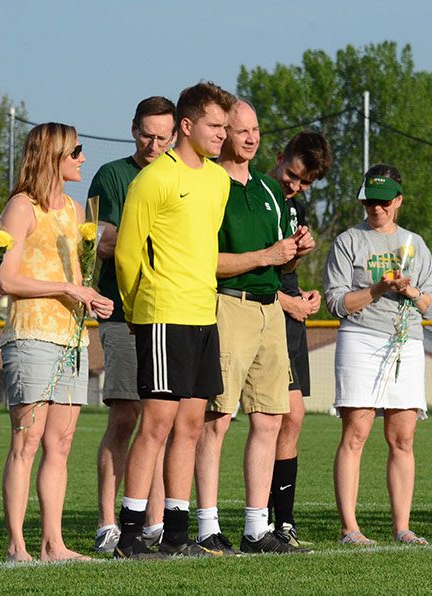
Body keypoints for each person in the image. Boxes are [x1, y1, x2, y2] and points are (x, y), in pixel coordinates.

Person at [113, 82, 233, 559]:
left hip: (205, 315)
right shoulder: (154, 180)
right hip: (163, 314)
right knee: (156, 425)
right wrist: (137, 310)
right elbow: (126, 253)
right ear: (187, 125)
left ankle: (178, 535)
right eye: (215, 125)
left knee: (191, 425)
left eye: (227, 126)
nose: (223, 134)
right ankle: (130, 535)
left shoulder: (219, 180)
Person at [194, 100, 313, 555]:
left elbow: (277, 253)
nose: (250, 138)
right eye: (240, 130)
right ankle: (207, 525)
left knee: (270, 418)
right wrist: (268, 256)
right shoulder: (208, 183)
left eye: (255, 130)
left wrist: (295, 249)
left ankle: (255, 528)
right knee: (218, 417)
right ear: (223, 133)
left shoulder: (267, 188)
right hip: (229, 306)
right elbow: (205, 260)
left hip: (270, 312)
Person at [0, 123, 113, 562]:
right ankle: (17, 545)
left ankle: (53, 544)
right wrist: (68, 290)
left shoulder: (76, 209)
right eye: (76, 151)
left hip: (71, 339)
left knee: (60, 444)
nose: (83, 158)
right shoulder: (21, 207)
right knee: (26, 440)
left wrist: (89, 297)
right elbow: (5, 279)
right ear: (54, 155)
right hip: (31, 336)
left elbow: (75, 279)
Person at [324, 165, 432, 546]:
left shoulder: (415, 244)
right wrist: (377, 288)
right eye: (370, 202)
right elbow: (336, 302)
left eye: (383, 202)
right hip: (360, 338)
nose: (376, 209)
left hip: (406, 342)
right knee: (356, 433)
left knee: (403, 438)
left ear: (398, 202)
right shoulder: (348, 241)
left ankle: (402, 527)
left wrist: (411, 294)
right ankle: (350, 528)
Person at [92, 96, 175, 553]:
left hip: (171, 313)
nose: (154, 144)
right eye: (147, 134)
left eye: (163, 137)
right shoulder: (113, 175)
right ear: (133, 129)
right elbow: (102, 241)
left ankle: (155, 522)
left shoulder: (180, 175)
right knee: (125, 415)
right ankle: (109, 522)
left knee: (161, 419)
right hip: (122, 311)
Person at [267, 131, 332, 546]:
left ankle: (281, 522)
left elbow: (283, 265)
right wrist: (284, 301)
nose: (295, 186)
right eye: (292, 175)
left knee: (292, 417)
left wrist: (302, 289)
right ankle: (196, 522)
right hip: (249, 309)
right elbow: (241, 267)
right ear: (279, 157)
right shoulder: (251, 195)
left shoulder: (297, 207)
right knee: (211, 421)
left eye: (305, 183)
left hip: (286, 312)